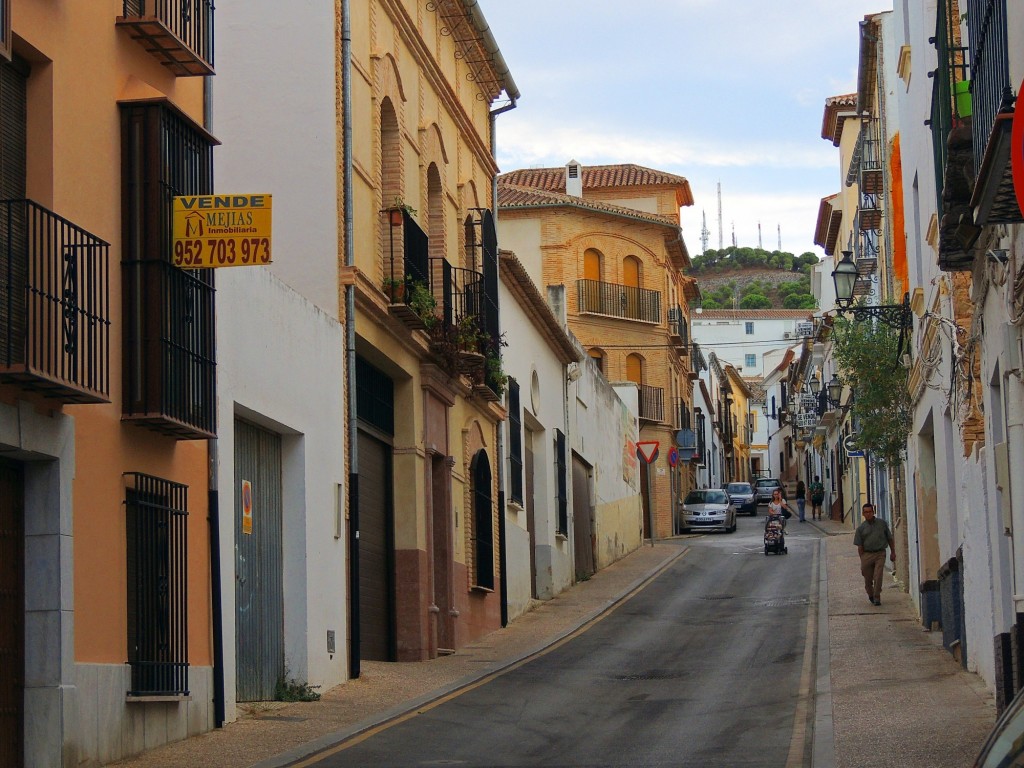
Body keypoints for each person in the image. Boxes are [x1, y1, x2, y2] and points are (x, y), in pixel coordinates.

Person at [853, 503, 895, 605]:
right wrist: (862, 561)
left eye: (870, 512)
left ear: (873, 512)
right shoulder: (860, 529)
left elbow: (889, 538)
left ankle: (877, 597)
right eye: (866, 512)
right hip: (867, 555)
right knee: (868, 580)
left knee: (878, 576)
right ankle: (870, 594)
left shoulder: (882, 524)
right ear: (863, 514)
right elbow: (860, 547)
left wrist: (893, 552)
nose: (868, 514)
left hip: (880, 553)